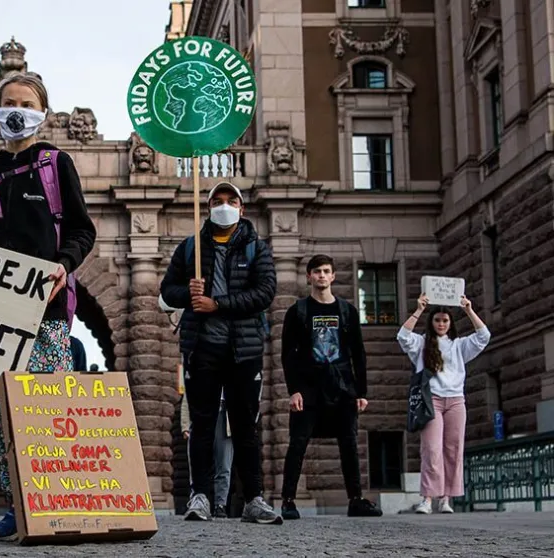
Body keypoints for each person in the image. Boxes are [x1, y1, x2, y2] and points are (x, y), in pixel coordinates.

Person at [0, 73, 96, 541]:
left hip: (47, 312)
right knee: (4, 414)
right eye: (8, 102)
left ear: (43, 111)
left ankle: (55, 503)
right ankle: (17, 506)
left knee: (48, 408)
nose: (17, 109)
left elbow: (81, 230)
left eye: (26, 102)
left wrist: (63, 265)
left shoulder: (57, 165)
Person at [159, 181, 281, 525]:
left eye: (230, 200)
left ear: (241, 209)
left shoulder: (258, 249)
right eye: (216, 200)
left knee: (245, 427)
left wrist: (218, 304)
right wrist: (188, 292)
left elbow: (265, 293)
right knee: (202, 425)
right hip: (202, 350)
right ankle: (200, 496)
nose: (223, 205)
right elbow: (167, 291)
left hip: (244, 351)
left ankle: (254, 498)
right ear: (208, 206)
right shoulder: (189, 249)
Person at [279, 255, 382, 520]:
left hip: (342, 388)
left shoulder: (347, 311)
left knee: (349, 443)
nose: (322, 276)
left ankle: (355, 500)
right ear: (309, 277)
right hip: (309, 389)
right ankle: (288, 501)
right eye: (317, 271)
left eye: (326, 271)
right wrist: (294, 390)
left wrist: (361, 392)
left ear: (333, 276)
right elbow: (288, 354)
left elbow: (358, 353)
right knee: (298, 443)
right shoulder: (298, 311)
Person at [397, 294, 490, 514]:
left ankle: (446, 499)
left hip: (456, 401)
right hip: (432, 401)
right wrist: (419, 310)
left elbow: (484, 336)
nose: (441, 324)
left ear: (450, 323)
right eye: (437, 320)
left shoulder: (459, 345)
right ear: (432, 322)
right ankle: (427, 499)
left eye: (445, 320)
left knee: (453, 449)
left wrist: (468, 310)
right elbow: (402, 336)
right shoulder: (421, 343)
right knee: (431, 449)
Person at [181, 391, 233, 518]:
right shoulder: (201, 372)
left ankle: (220, 504)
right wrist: (185, 426)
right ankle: (196, 499)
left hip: (225, 417)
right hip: (204, 413)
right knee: (198, 463)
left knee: (224, 464)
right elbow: (188, 398)